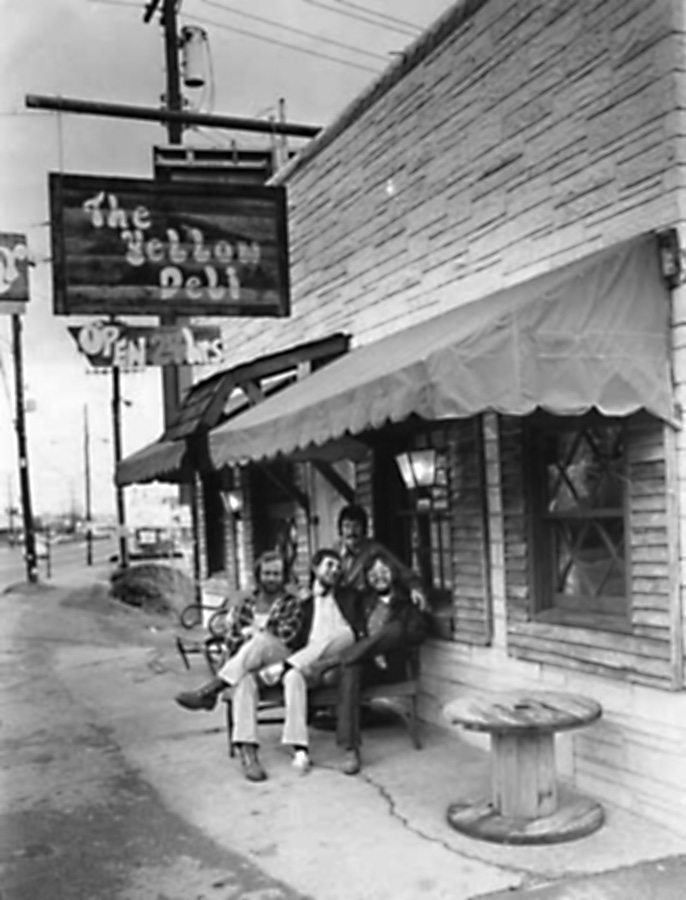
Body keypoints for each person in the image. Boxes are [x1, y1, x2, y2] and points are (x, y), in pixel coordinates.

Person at [175, 547, 360, 782]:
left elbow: (287, 636)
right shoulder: (245, 604)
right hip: (254, 665)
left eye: (277, 574)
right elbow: (231, 639)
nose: (272, 578)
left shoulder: (291, 604)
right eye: (268, 573)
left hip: (280, 658)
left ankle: (212, 689)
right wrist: (250, 636)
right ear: (259, 575)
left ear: (283, 577)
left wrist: (253, 632)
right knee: (244, 679)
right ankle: (248, 751)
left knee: (263, 643)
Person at [335, 549, 427, 776]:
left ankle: (345, 657)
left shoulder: (407, 604)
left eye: (384, 571)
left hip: (394, 668)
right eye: (373, 573)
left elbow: (418, 635)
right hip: (369, 668)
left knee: (395, 629)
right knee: (351, 670)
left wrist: (416, 591)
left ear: (393, 573)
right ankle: (350, 749)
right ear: (366, 578)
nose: (379, 577)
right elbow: (338, 591)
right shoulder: (363, 602)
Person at [334, 503, 427, 610]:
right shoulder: (335, 551)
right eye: (347, 526)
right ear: (340, 529)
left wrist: (415, 588)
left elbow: (403, 571)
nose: (351, 532)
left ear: (364, 528)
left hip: (368, 607)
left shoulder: (375, 550)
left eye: (356, 526)